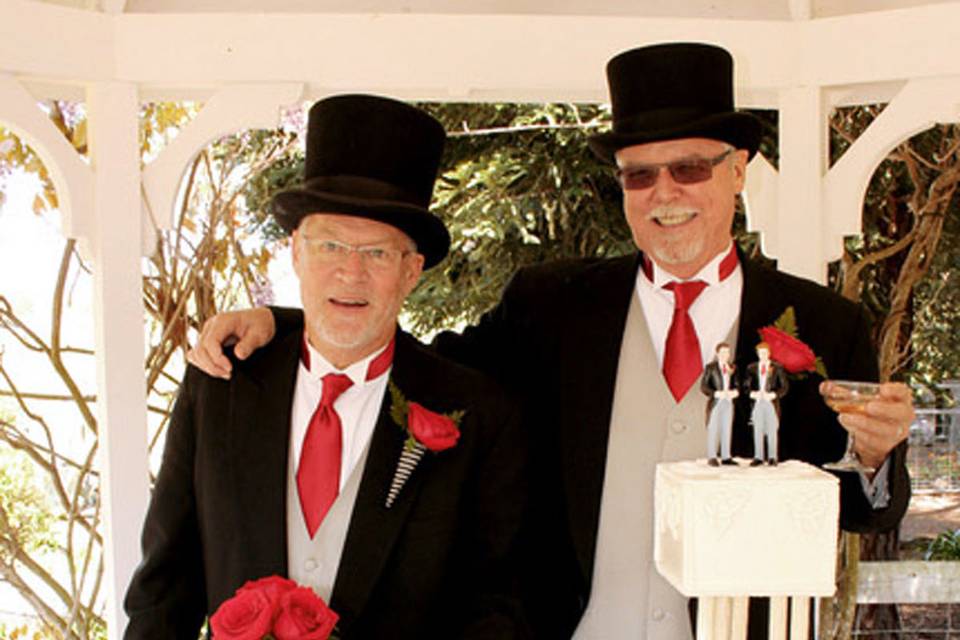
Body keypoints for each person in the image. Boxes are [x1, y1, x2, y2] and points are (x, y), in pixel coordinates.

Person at [188, 44, 915, 639]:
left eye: (690, 167)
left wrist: (874, 457)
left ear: (737, 170)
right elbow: (415, 365)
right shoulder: (552, 305)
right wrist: (292, 327)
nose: (665, 194)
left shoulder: (823, 326)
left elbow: (862, 509)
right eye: (639, 174)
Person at [124, 95, 529, 639]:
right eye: (331, 245)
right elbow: (164, 590)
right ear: (295, 251)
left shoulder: (478, 417)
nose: (350, 273)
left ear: (412, 271)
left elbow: (495, 610)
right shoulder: (221, 384)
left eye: (378, 255)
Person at [746, 341, 789, 465]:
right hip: (758, 402)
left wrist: (774, 394)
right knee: (757, 428)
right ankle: (758, 456)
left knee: (772, 429)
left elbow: (784, 386)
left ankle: (772, 456)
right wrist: (752, 394)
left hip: (771, 402)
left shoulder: (777, 368)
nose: (763, 355)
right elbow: (746, 386)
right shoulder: (752, 368)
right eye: (760, 353)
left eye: (765, 353)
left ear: (769, 353)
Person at [701, 341, 739, 466]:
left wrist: (735, 392)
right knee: (713, 428)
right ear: (717, 354)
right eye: (722, 352)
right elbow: (704, 387)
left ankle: (726, 456)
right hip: (716, 402)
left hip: (728, 402)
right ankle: (712, 456)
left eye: (727, 352)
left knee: (726, 428)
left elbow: (737, 384)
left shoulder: (732, 367)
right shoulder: (710, 368)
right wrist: (715, 393)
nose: (725, 355)